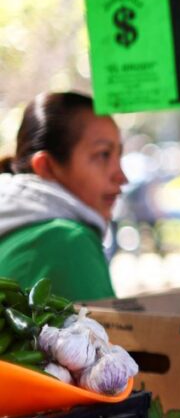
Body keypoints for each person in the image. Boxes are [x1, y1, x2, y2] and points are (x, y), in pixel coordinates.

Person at [0, 92, 127, 301]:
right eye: (103, 154)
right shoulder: (67, 241)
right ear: (46, 166)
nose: (121, 177)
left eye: (119, 155)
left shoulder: (16, 230)